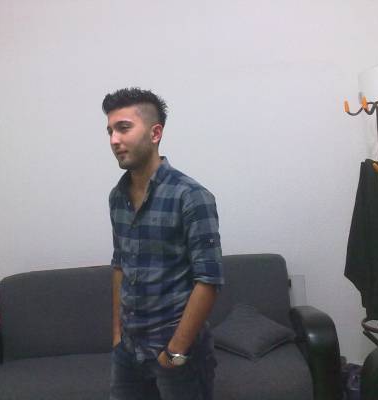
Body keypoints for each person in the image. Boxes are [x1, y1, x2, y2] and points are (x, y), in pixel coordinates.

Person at [103, 87, 224, 400]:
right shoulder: (117, 197)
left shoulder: (191, 196)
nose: (114, 140)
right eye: (110, 131)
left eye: (123, 128)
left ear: (155, 133)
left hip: (176, 353)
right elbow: (120, 266)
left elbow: (208, 280)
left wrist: (175, 351)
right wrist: (117, 336)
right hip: (129, 351)